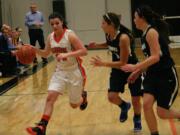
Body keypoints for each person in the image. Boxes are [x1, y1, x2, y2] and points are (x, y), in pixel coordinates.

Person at [121, 5, 180, 135]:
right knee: (147, 104)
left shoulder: (151, 32)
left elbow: (156, 57)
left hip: (166, 76)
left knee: (162, 113)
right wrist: (137, 72)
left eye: (135, 17)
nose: (134, 20)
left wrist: (135, 67)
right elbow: (150, 59)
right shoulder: (144, 34)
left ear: (142, 18)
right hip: (152, 75)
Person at [26, 12, 88, 135]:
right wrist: (34, 49)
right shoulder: (50, 37)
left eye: (57, 23)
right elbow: (45, 53)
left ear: (62, 23)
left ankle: (83, 98)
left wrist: (67, 54)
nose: (54, 26)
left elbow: (84, 51)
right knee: (50, 98)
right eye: (52, 24)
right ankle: (42, 127)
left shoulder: (70, 35)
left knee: (74, 105)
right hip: (59, 71)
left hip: (74, 71)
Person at [89, 12, 142, 132]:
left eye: (103, 23)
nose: (101, 25)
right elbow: (110, 44)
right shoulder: (108, 34)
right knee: (112, 97)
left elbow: (123, 62)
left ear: (111, 24)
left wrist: (103, 63)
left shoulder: (123, 38)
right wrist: (97, 45)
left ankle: (137, 118)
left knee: (135, 99)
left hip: (132, 69)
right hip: (118, 70)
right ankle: (124, 106)